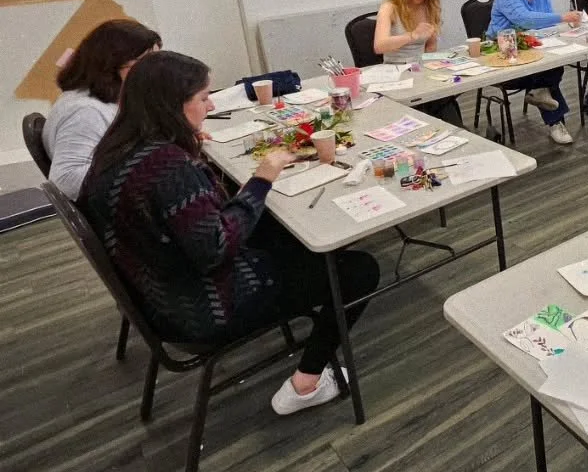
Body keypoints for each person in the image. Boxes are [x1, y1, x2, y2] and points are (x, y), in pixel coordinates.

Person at [81, 51, 379, 416]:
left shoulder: (117, 150)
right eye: (203, 98)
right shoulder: (169, 168)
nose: (210, 105)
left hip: (157, 288)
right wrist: (261, 179)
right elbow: (215, 247)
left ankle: (316, 274)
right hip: (201, 307)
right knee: (358, 270)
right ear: (170, 104)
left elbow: (183, 220)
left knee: (285, 230)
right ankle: (307, 383)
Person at [43, 18, 161, 199]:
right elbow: (65, 180)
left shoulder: (103, 98)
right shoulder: (85, 112)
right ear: (112, 64)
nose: (155, 72)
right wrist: (146, 165)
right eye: (146, 63)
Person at [485, 0, 581, 146]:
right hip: (505, 51)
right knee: (547, 71)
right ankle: (555, 121)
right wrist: (562, 18)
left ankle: (539, 93)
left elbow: (544, 24)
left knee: (555, 64)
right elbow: (526, 19)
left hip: (532, 46)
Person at [373, 0, 462, 126]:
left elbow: (430, 45)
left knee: (444, 98)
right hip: (395, 69)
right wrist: (412, 35)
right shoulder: (390, 7)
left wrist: (432, 65)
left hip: (420, 68)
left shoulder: (428, 6)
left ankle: (455, 133)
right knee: (423, 104)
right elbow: (379, 45)